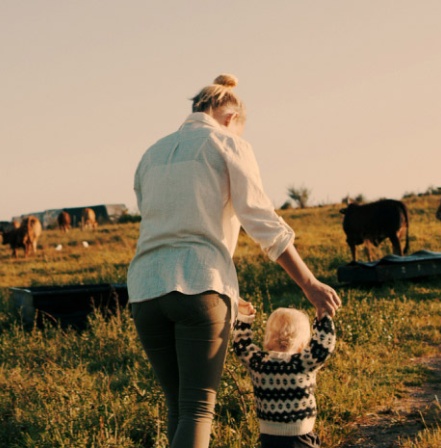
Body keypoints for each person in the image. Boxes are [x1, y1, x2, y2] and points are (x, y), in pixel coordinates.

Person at [127, 73, 341, 448]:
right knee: (197, 408)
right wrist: (309, 283)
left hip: (144, 290)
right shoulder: (226, 143)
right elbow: (261, 221)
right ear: (229, 118)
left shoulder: (152, 153)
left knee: (178, 406)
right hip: (200, 282)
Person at [233, 302, 336, 448]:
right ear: (303, 341)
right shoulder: (302, 363)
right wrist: (323, 318)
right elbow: (324, 345)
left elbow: (241, 345)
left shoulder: (259, 363)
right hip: (301, 436)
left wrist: (245, 317)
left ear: (268, 336)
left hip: (269, 436)